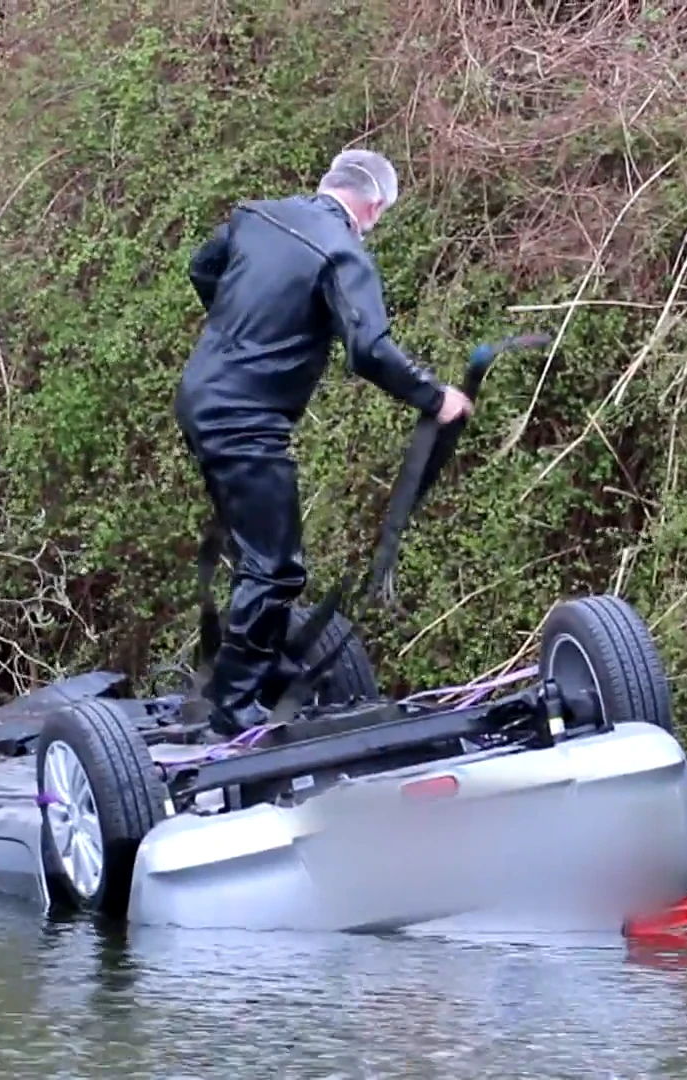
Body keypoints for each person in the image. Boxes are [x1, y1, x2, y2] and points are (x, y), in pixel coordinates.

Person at [173, 148, 475, 734]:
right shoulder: (342, 252)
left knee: (254, 551)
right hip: (245, 420)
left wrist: (244, 330)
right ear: (374, 206)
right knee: (276, 567)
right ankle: (232, 711)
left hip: (200, 398)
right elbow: (370, 350)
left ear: (327, 182)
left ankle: (258, 677)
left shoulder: (257, 216)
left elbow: (202, 269)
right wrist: (437, 398)